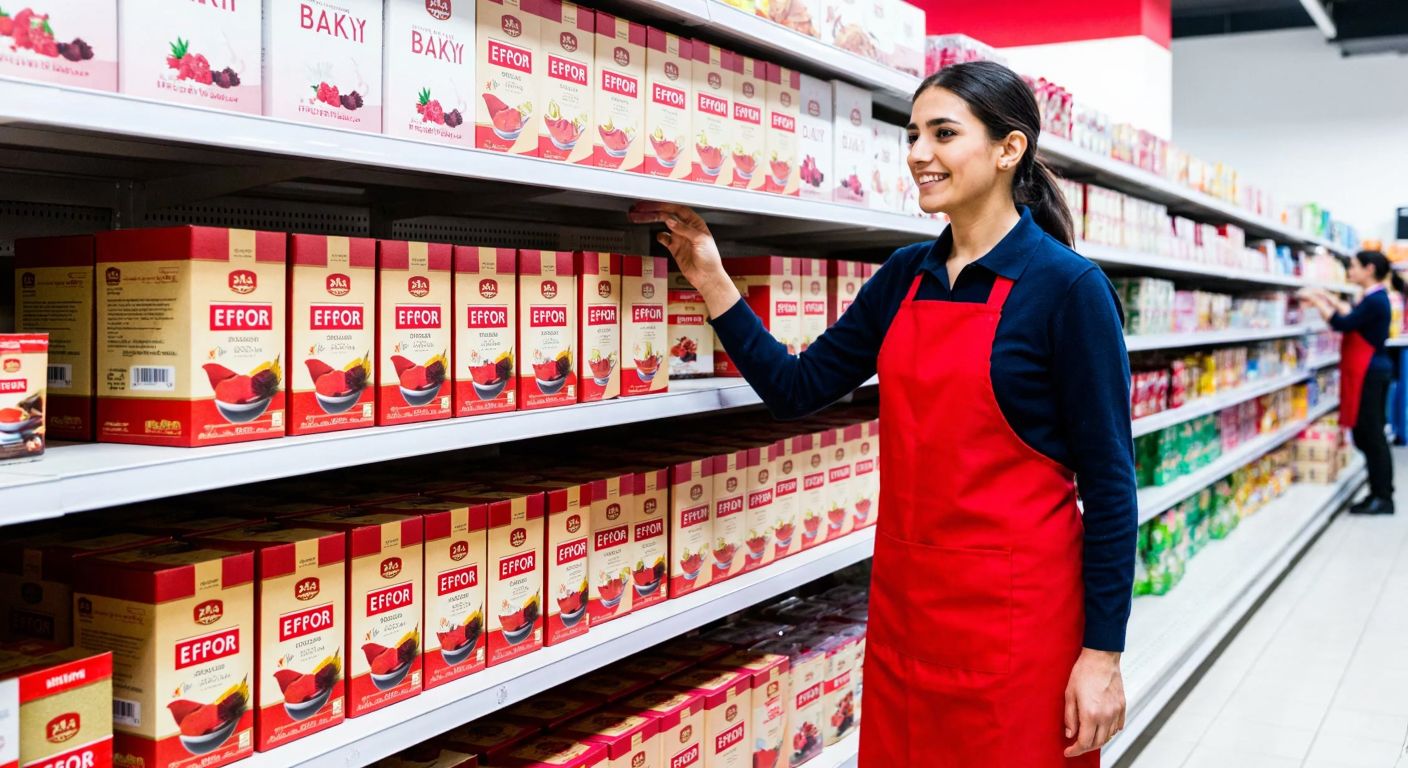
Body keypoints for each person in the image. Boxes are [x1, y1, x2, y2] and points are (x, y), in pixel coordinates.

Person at [630, 60, 1136, 766]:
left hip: (1022, 622)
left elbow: (1111, 489)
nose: (918, 154)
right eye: (912, 135)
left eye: (943, 133)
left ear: (1007, 149)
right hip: (907, 609)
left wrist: (1102, 655)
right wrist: (711, 276)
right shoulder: (904, 275)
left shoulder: (1068, 289)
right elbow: (798, 387)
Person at [1301, 249, 1401, 515]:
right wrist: (1327, 297)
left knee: (1372, 435)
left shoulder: (1376, 300)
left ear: (1369, 269)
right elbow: (1353, 313)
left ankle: (1383, 497)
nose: (1350, 271)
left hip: (1369, 372)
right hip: (1371, 370)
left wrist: (1316, 301)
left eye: (1354, 266)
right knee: (1367, 434)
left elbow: (1344, 323)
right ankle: (1378, 493)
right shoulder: (1373, 298)